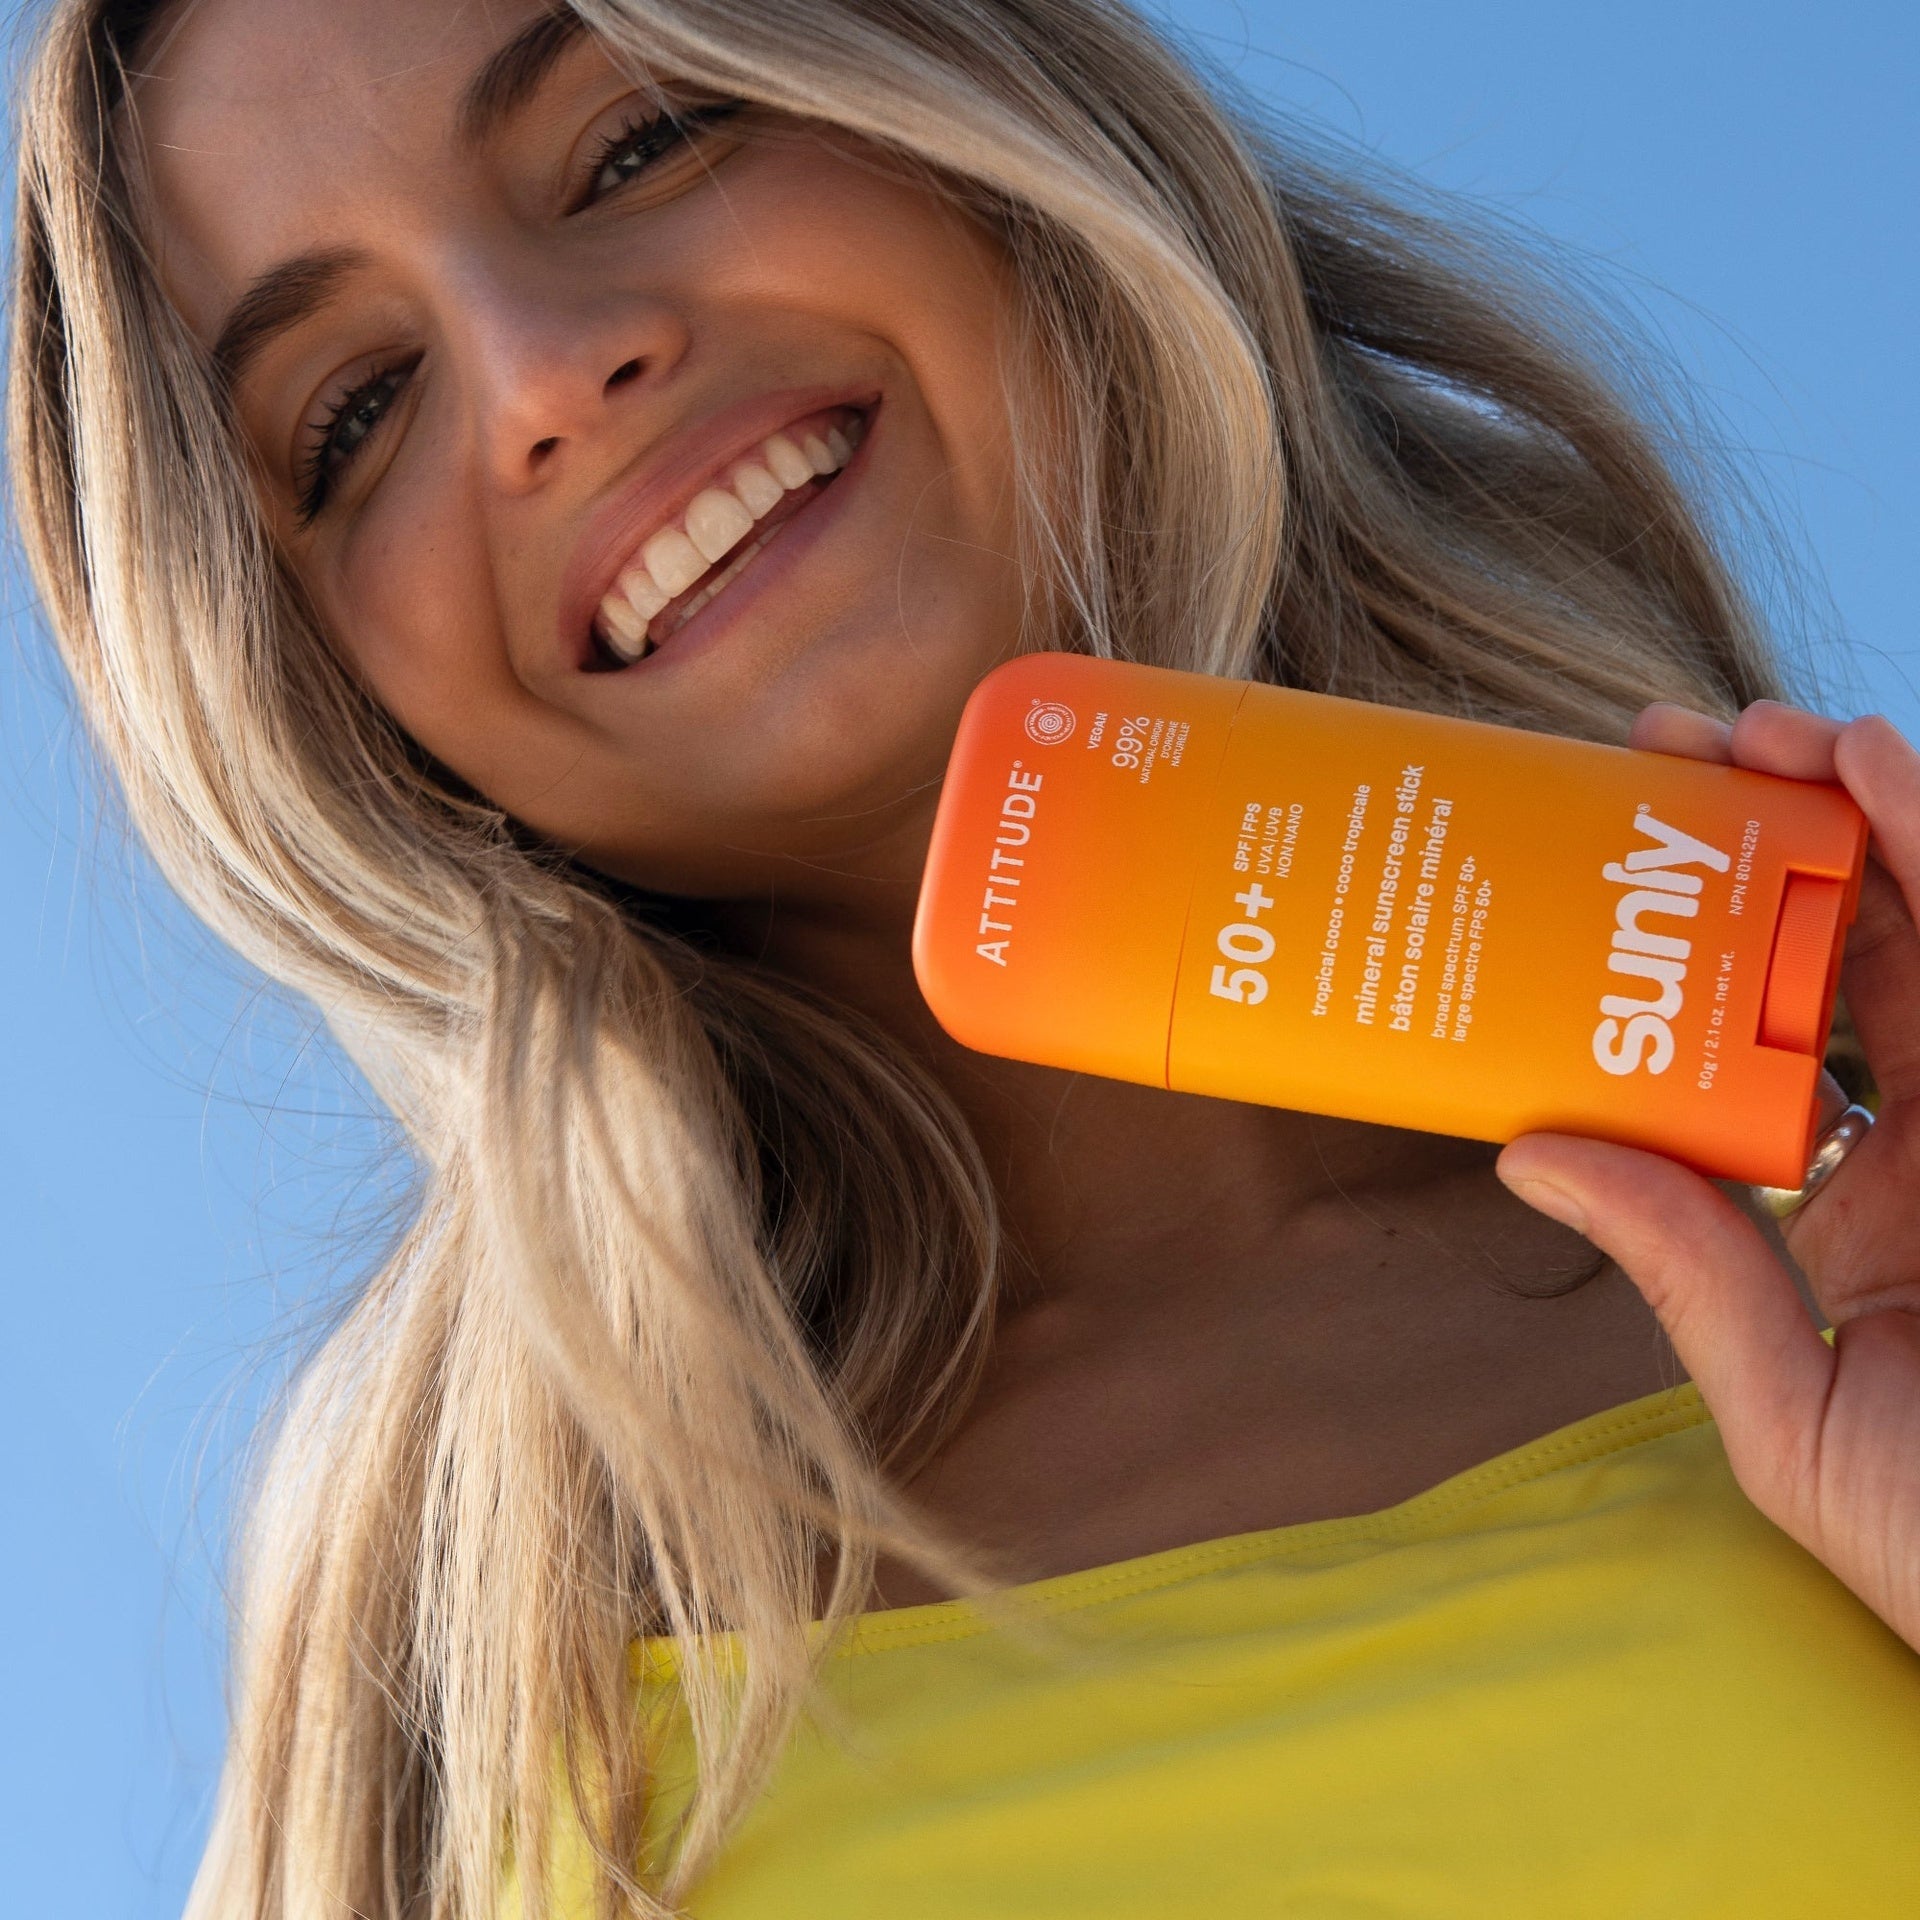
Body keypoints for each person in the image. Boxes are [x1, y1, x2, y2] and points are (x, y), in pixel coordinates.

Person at [11, 0, 1920, 1913]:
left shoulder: (1872, 1227)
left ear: (970, 110)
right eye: (352, 413)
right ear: (328, 718)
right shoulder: (453, 1680)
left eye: (639, 140)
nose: (543, 379)